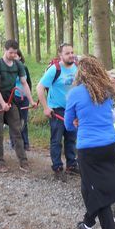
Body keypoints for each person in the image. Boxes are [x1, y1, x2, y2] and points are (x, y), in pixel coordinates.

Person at [65, 56, 115, 229]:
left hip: (89, 148)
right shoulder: (106, 92)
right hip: (110, 145)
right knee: (88, 187)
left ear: (80, 73)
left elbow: (69, 126)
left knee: (97, 195)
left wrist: (76, 121)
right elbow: (106, 116)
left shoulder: (75, 94)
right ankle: (88, 225)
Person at [0, 39, 35, 173]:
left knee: (17, 129)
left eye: (15, 53)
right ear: (5, 50)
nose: (13, 55)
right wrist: (2, 104)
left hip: (11, 99)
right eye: (11, 53)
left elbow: (24, 83)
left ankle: (23, 160)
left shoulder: (18, 65)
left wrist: (31, 100)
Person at [37, 43, 78, 181]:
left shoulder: (78, 67)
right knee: (56, 139)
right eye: (67, 53)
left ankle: (71, 165)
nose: (71, 55)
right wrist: (46, 107)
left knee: (71, 138)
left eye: (72, 52)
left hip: (72, 109)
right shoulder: (55, 69)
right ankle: (57, 167)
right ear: (60, 55)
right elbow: (40, 87)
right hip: (57, 110)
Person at [10, 50, 31, 151]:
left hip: (24, 97)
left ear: (19, 57)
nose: (14, 58)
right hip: (13, 97)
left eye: (16, 56)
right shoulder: (9, 69)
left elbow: (28, 83)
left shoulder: (24, 67)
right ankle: (14, 142)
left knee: (24, 121)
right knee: (14, 120)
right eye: (13, 56)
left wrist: (29, 97)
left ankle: (26, 143)